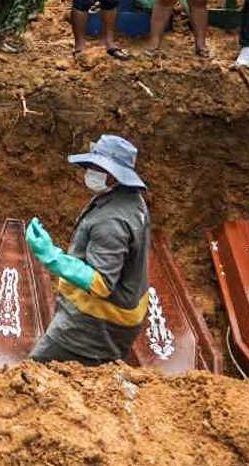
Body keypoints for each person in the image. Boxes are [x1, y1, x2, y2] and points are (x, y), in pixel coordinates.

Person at [26, 134, 150, 365]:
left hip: (95, 324)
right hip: (121, 315)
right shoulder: (132, 200)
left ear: (113, 176)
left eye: (97, 167)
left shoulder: (111, 222)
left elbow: (101, 283)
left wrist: (52, 257)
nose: (90, 171)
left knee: (33, 374)